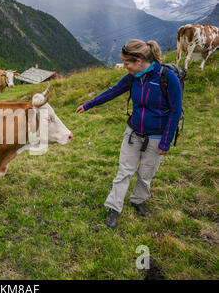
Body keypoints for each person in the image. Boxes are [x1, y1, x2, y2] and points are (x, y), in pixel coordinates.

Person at [76, 39, 182, 228]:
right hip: (133, 132)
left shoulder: (167, 78)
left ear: (139, 61)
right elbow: (113, 92)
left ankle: (138, 200)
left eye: (127, 63)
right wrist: (88, 105)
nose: (125, 67)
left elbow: (175, 112)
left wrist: (165, 143)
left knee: (145, 174)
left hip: (157, 137)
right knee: (124, 171)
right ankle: (113, 208)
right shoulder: (134, 77)